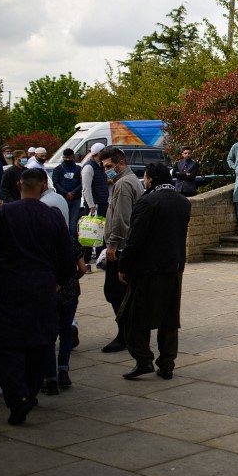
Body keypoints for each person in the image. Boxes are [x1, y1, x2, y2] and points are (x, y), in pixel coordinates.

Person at [0, 169, 73, 425]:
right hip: (42, 289)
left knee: (6, 348)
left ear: (19, 185)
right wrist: (60, 282)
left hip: (9, 288)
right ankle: (29, 393)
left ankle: (17, 396)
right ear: (43, 187)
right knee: (40, 344)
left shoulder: (4, 213)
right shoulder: (52, 216)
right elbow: (67, 256)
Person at [117, 164, 191, 380]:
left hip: (149, 269)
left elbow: (135, 239)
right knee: (169, 318)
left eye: (146, 177)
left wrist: (124, 265)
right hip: (175, 267)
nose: (145, 181)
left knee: (135, 317)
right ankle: (167, 364)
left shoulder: (148, 202)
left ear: (151, 179)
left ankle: (143, 359)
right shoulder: (182, 202)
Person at [100, 147, 144, 352]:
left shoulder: (124, 184)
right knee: (119, 292)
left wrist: (113, 245)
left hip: (120, 248)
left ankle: (126, 333)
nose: (106, 170)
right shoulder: (127, 181)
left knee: (115, 292)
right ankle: (128, 332)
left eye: (109, 166)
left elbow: (122, 218)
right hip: (124, 246)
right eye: (104, 167)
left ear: (121, 164)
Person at [42, 232, 84, 395]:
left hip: (48, 293)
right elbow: (81, 268)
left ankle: (51, 378)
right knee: (66, 330)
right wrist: (73, 279)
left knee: (48, 337)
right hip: (70, 293)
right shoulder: (71, 241)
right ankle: (64, 371)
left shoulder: (42, 242)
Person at [79, 142, 109, 272]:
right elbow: (86, 188)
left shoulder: (101, 166)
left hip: (103, 203)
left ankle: (100, 259)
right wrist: (91, 205)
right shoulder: (89, 168)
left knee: (101, 233)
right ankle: (86, 261)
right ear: (99, 153)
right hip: (94, 205)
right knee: (90, 233)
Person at [51, 148, 83, 235]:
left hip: (75, 199)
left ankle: (72, 243)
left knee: (73, 223)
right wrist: (65, 193)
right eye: (65, 157)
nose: (67, 159)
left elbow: (82, 183)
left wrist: (73, 193)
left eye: (69, 157)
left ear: (73, 156)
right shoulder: (58, 169)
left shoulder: (78, 168)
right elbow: (56, 183)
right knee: (63, 222)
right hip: (62, 198)